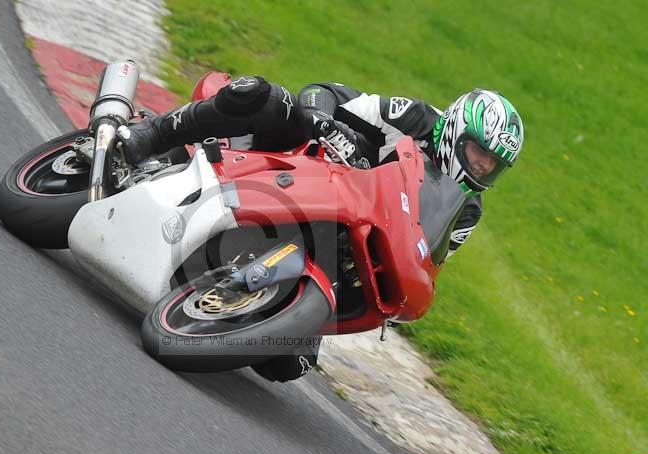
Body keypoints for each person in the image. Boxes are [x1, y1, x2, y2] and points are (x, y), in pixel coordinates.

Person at [117, 76, 524, 381]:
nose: (483, 167)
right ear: (456, 128)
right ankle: (152, 134)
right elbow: (323, 91)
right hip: (304, 165)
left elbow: (430, 257)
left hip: (341, 237)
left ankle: (227, 289)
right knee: (266, 97)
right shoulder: (415, 118)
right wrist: (324, 124)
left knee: (287, 363)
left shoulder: (466, 211)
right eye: (478, 152)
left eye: (494, 165)